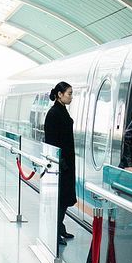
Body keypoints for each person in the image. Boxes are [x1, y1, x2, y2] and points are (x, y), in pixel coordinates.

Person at [44, 81, 77, 246]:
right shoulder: (53, 114)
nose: (71, 97)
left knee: (64, 198)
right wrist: (61, 163)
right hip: (60, 164)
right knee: (60, 199)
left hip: (66, 162)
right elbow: (50, 141)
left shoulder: (62, 110)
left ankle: (60, 227)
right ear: (59, 94)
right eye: (69, 93)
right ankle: (55, 231)